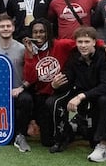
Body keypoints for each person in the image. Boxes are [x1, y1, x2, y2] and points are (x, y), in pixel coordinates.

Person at [49, 27, 106, 162]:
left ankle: (103, 146)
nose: (83, 45)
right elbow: (68, 77)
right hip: (80, 91)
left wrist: (81, 97)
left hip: (101, 93)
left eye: (87, 41)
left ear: (94, 42)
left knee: (104, 100)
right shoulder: (74, 55)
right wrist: (55, 85)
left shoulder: (105, 56)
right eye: (80, 42)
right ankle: (62, 136)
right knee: (54, 101)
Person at [20, 18, 76, 146]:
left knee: (53, 105)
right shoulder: (30, 51)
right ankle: (69, 130)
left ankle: (65, 132)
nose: (39, 35)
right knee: (46, 141)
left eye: (42, 31)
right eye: (35, 32)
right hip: (41, 94)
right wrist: (29, 55)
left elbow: (82, 43)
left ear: (48, 32)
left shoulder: (60, 44)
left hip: (59, 91)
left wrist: (104, 46)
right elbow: (30, 78)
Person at [0, 14, 28, 152]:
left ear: (13, 28)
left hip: (19, 90)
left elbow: (30, 73)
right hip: (0, 93)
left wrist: (20, 88)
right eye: (2, 26)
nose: (5, 29)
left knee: (27, 100)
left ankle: (21, 135)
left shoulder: (23, 49)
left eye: (8, 26)